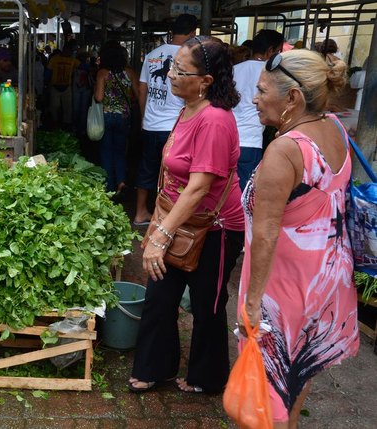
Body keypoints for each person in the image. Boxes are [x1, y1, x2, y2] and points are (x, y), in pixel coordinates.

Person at [237, 49, 358, 428]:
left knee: (260, 398)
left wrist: (253, 304)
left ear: (292, 98)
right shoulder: (335, 128)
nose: (253, 99)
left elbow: (269, 231)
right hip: (326, 282)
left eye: (261, 91)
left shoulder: (286, 149)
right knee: (295, 380)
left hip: (283, 289)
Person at [128, 36, 245, 394]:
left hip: (215, 228)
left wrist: (160, 235)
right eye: (172, 67)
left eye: (180, 70)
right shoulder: (187, 108)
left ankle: (207, 377)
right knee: (160, 296)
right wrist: (162, 225)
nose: (171, 75)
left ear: (205, 81)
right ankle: (155, 367)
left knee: (207, 305)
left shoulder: (213, 120)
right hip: (180, 219)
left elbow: (198, 188)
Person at [132, 14, 197, 226]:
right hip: (174, 127)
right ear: (192, 33)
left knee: (147, 168)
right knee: (174, 173)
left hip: (151, 124)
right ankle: (168, 217)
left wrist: (144, 118)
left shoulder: (151, 55)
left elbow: (142, 89)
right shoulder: (187, 57)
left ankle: (140, 212)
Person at [232, 29, 284, 190]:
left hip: (229, 137)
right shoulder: (270, 73)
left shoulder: (234, 69)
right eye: (278, 51)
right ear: (270, 51)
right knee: (246, 189)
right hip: (250, 139)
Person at [94, 41, 139, 194]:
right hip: (124, 116)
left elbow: (99, 97)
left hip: (106, 115)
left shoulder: (102, 73)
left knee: (106, 151)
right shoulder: (130, 72)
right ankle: (121, 182)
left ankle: (109, 187)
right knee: (120, 151)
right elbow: (138, 95)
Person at [46, 40, 79, 129]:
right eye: (69, 51)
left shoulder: (73, 60)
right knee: (54, 107)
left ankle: (66, 125)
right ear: (64, 50)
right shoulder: (54, 59)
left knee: (67, 107)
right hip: (55, 86)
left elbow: (81, 66)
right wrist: (46, 83)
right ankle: (55, 123)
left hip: (67, 86)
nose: (69, 53)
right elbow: (48, 72)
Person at [72, 49, 93, 137]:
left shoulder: (87, 66)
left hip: (85, 88)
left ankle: (81, 128)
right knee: (77, 109)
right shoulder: (75, 64)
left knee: (82, 109)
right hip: (78, 88)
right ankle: (77, 127)